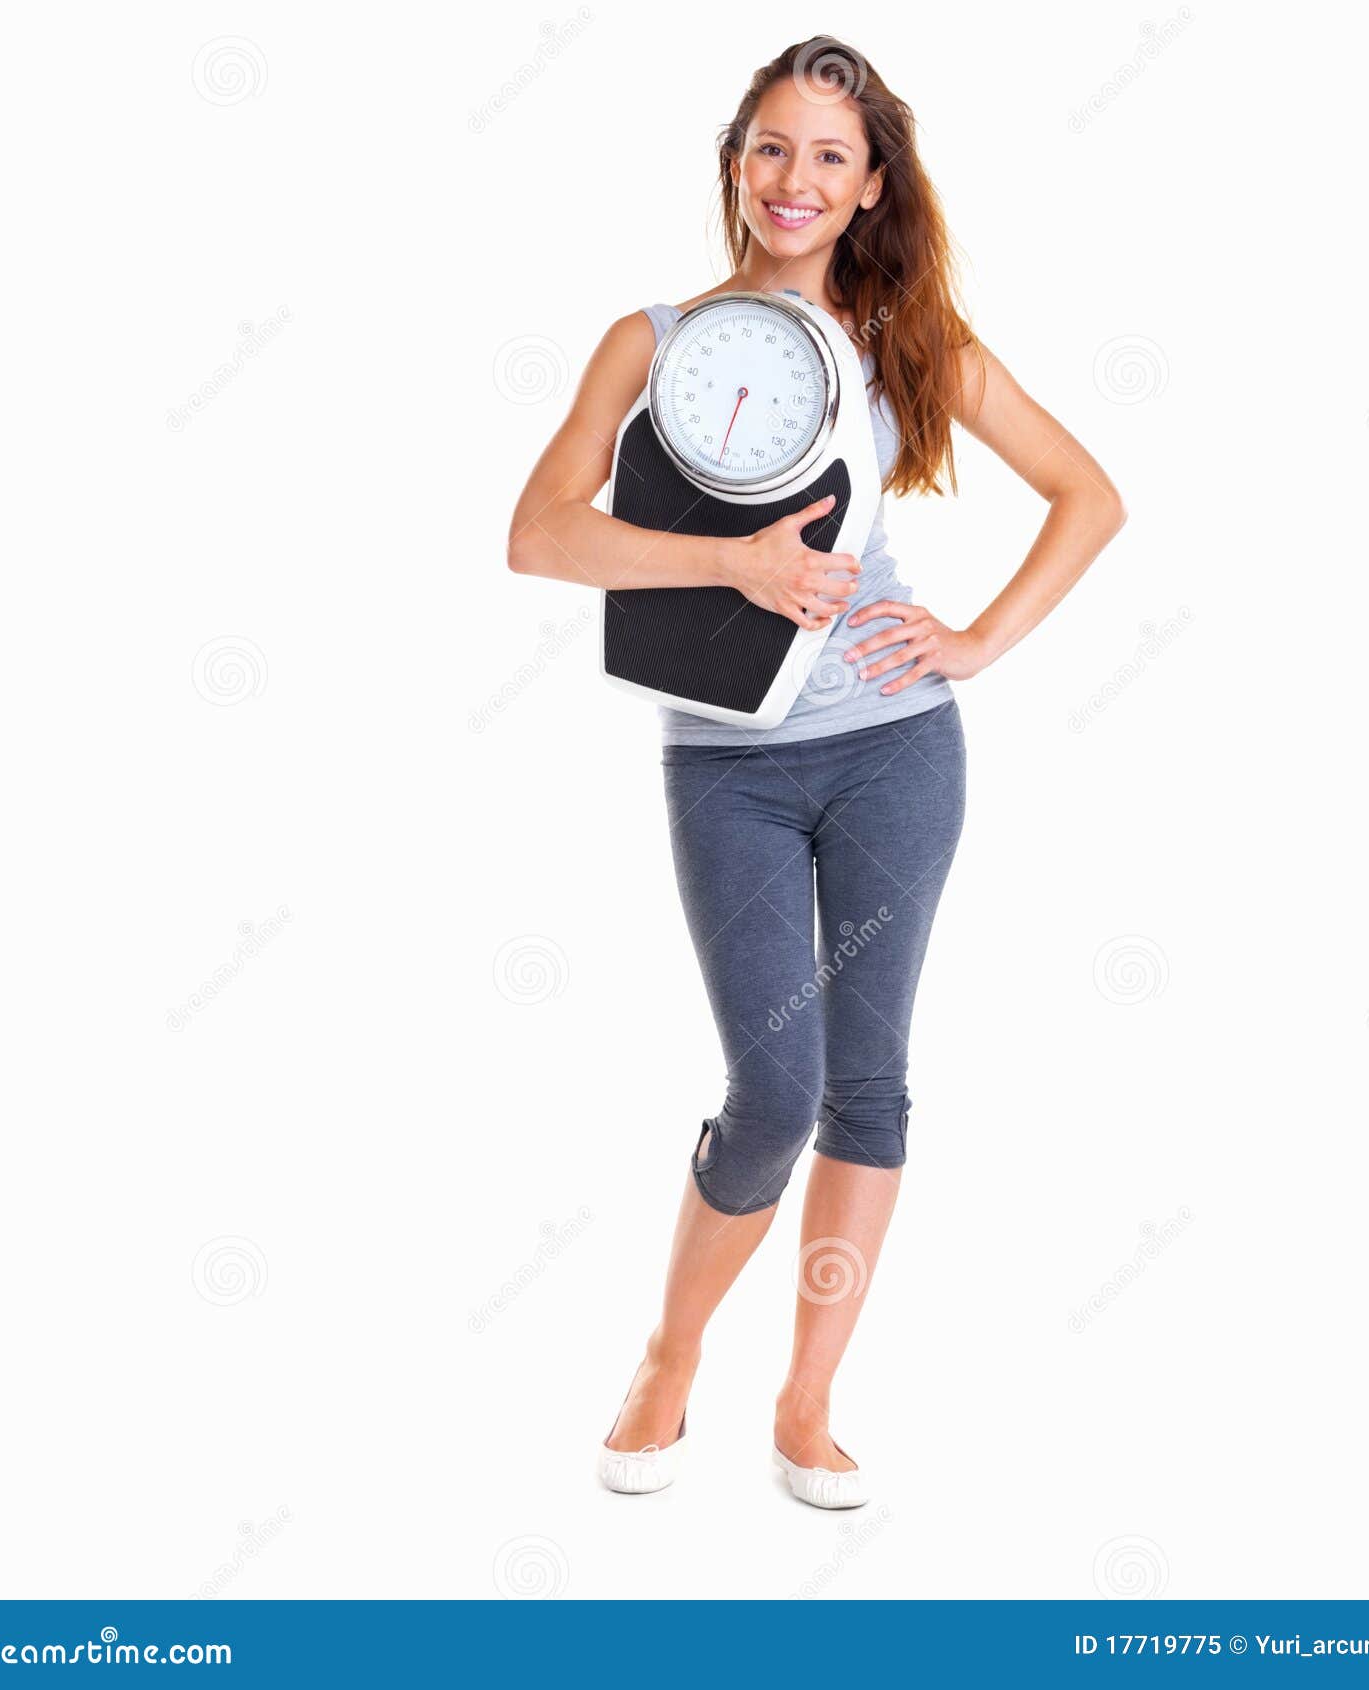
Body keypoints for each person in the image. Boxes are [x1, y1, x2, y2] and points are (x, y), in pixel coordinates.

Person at [507, 35, 1126, 1509]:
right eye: (772, 147)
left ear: (867, 190)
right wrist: (728, 558)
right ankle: (670, 1356)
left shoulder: (909, 342)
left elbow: (1089, 495)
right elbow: (538, 533)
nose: (795, 179)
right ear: (736, 161)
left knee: (870, 1087)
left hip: (896, 749)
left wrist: (971, 641)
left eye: (829, 158)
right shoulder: (649, 341)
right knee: (771, 1086)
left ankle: (805, 1402)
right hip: (724, 765)